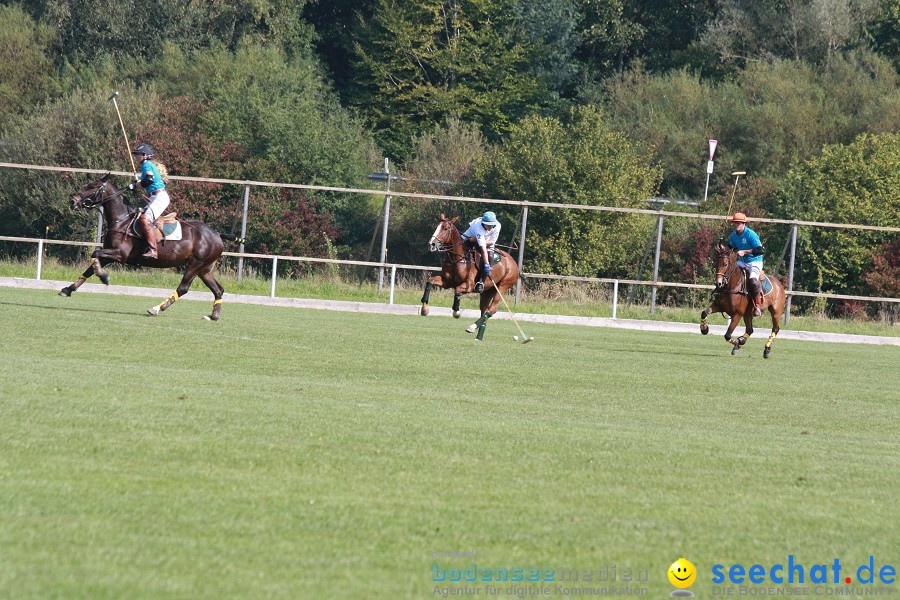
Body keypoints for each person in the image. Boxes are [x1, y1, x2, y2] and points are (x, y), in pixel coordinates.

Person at [129, 143, 170, 259]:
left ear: (145, 155)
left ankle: (153, 250)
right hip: (154, 196)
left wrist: (136, 185)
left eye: (139, 155)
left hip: (159, 197)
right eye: (136, 155)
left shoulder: (147, 165)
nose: (136, 157)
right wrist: (137, 184)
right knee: (138, 218)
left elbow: (149, 180)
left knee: (144, 219)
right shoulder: (147, 165)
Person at [728, 212, 765, 316]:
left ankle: (757, 306)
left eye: (739, 223)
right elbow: (730, 246)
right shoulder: (734, 235)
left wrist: (745, 252)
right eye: (735, 223)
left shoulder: (751, 234)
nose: (736, 225)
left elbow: (761, 250)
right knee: (730, 275)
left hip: (755, 261)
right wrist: (723, 248)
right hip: (742, 262)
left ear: (744, 224)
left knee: (752, 281)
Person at [462, 211, 501, 293]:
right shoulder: (478, 226)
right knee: (459, 243)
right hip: (471, 235)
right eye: (488, 225)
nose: (490, 228)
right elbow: (482, 249)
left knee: (490, 256)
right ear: (483, 223)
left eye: (492, 225)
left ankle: (481, 282)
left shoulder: (497, 226)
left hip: (487, 240)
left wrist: (487, 264)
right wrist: (486, 264)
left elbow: (491, 242)